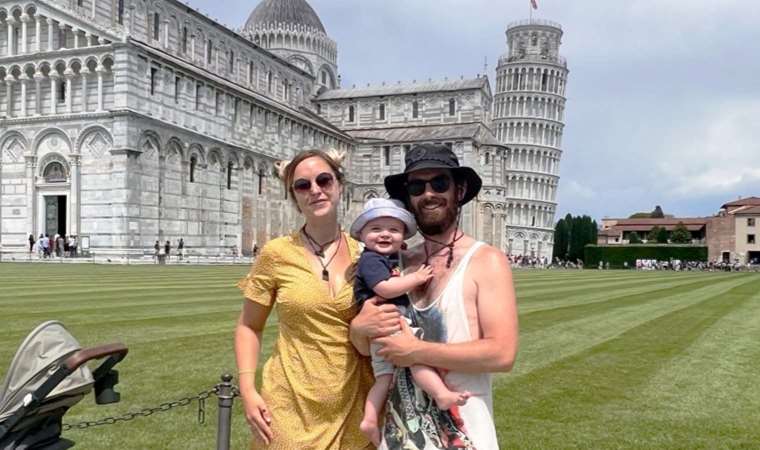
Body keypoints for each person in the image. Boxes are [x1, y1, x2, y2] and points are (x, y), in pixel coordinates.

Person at [350, 143, 519, 450]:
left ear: (459, 190)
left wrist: (416, 351)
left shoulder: (486, 260)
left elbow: (502, 354)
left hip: (463, 433)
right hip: (400, 435)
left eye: (439, 183)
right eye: (417, 186)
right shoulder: (395, 262)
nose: (428, 194)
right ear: (408, 198)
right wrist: (358, 329)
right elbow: (367, 348)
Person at [234, 149, 373, 449]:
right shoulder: (276, 254)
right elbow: (249, 326)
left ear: (340, 186)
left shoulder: (366, 255)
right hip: (288, 406)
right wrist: (247, 388)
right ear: (294, 197)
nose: (315, 190)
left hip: (355, 406)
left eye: (324, 180)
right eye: (302, 185)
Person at [350, 198, 468, 446]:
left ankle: (369, 418)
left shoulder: (385, 258)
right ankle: (441, 394)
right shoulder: (372, 260)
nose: (385, 234)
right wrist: (416, 278)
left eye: (393, 230)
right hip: (389, 322)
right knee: (415, 357)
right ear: (362, 235)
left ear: (403, 236)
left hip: (379, 330)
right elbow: (384, 287)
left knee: (384, 378)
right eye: (376, 229)